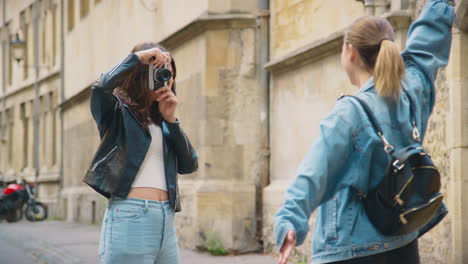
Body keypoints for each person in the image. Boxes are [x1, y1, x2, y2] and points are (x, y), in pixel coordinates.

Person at [274, 0, 455, 263]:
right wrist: (440, 5)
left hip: (353, 251)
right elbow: (427, 45)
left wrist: (289, 222)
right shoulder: (412, 90)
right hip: (404, 243)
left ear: (350, 52)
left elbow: (313, 174)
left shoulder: (348, 114)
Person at [83, 42, 198, 264]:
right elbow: (100, 88)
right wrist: (138, 57)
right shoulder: (116, 110)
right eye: (159, 72)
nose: (166, 79)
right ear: (140, 75)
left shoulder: (164, 121)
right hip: (130, 216)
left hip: (166, 220)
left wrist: (172, 120)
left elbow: (189, 164)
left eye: (170, 74)